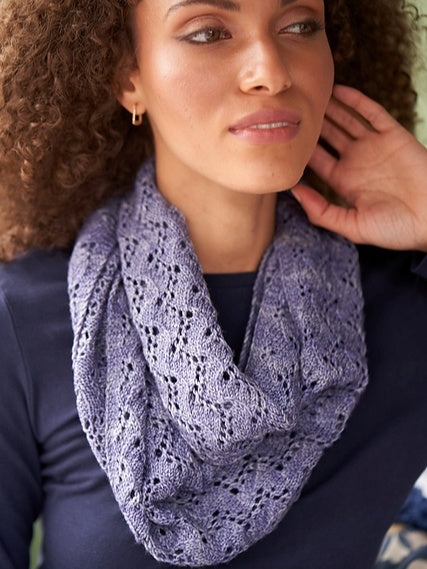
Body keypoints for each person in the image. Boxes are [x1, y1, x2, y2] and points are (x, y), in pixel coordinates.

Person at [0, 1, 426, 568]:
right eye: (207, 33)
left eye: (300, 25)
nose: (271, 71)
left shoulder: (405, 304)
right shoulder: (23, 318)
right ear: (128, 77)